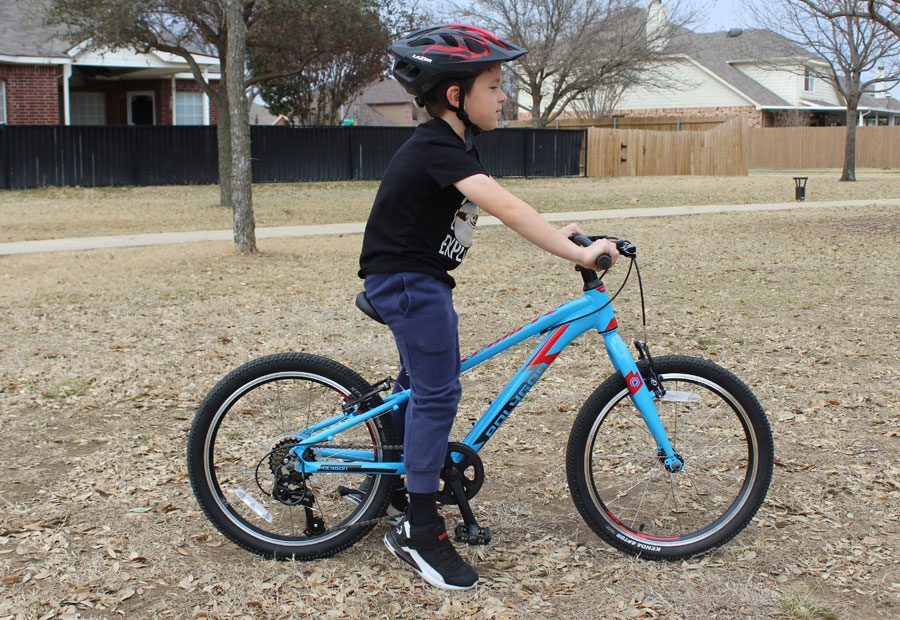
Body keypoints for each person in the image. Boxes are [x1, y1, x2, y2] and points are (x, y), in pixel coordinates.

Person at [357, 24, 618, 591]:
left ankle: (398, 484)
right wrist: (572, 248)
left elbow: (486, 210)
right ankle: (419, 531)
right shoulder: (436, 146)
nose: (504, 97)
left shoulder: (455, 146)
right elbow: (508, 208)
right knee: (439, 391)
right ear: (456, 96)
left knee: (420, 385)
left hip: (418, 279)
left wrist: (566, 235)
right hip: (406, 282)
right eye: (495, 85)